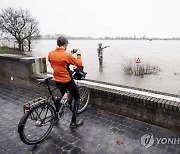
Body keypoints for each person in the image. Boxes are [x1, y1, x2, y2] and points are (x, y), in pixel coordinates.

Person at [48, 36, 83, 128]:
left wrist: (69, 54)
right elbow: (79, 64)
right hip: (67, 80)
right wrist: (78, 54)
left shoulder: (51, 53)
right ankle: (73, 122)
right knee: (77, 97)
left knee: (64, 95)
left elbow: (53, 64)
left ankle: (57, 114)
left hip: (57, 80)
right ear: (65, 44)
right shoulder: (66, 55)